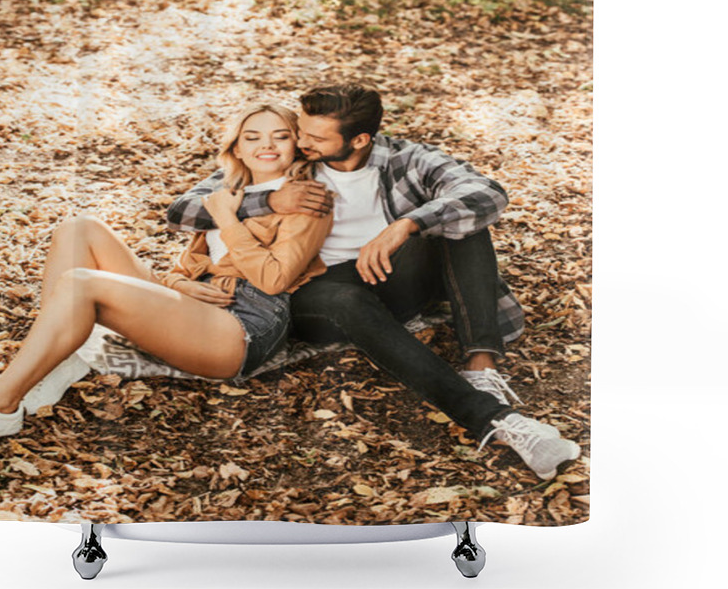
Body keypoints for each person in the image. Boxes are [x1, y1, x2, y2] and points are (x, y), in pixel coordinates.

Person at [166, 84, 580, 481]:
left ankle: (480, 365)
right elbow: (184, 209)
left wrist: (406, 224)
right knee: (346, 300)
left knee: (463, 223)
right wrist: (271, 201)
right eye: (300, 132)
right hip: (316, 287)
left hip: (389, 270)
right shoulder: (288, 165)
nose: (299, 141)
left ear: (360, 139)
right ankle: (492, 418)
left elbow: (485, 192)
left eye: (312, 137)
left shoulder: (404, 158)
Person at [0, 103, 332, 447]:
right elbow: (188, 255)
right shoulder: (228, 188)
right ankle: (60, 357)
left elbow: (273, 280)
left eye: (280, 136)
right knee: (79, 228)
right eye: (253, 137)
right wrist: (179, 282)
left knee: (81, 284)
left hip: (244, 325)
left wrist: (228, 219)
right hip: (197, 299)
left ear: (296, 145)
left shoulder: (307, 199)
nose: (267, 145)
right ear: (237, 148)